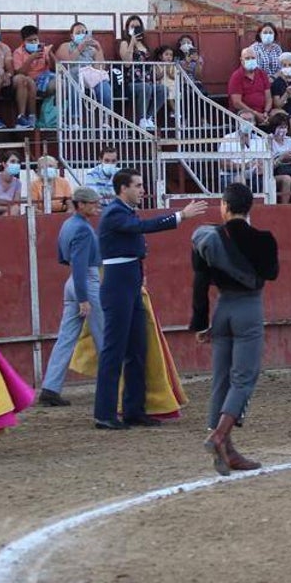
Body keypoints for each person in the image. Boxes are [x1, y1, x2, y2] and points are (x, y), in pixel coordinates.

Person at [95, 169, 207, 429]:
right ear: (123, 189)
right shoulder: (114, 213)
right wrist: (180, 216)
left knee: (137, 348)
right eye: (138, 185)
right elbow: (142, 227)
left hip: (130, 279)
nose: (142, 190)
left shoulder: (122, 212)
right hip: (118, 283)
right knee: (114, 349)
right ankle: (104, 414)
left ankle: (134, 410)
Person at [190, 181, 278, 474]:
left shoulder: (208, 238)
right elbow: (272, 274)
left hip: (222, 310)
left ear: (224, 207)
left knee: (221, 379)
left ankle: (227, 450)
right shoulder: (263, 239)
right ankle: (219, 436)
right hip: (248, 309)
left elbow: (200, 283)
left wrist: (201, 323)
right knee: (243, 378)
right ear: (248, 208)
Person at [38, 187, 106, 408]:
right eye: (93, 203)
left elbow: (63, 258)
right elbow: (79, 265)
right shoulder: (84, 229)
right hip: (85, 282)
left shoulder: (67, 224)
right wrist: (84, 298)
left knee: (65, 338)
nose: (97, 206)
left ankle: (50, 387)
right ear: (81, 205)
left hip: (73, 283)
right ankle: (113, 388)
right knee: (103, 336)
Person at [11, 25, 53, 130]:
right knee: (27, 81)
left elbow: (54, 67)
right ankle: (29, 117)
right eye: (30, 41)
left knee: (61, 83)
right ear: (24, 41)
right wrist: (31, 58)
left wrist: (50, 54)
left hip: (44, 81)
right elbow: (19, 72)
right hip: (27, 82)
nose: (34, 42)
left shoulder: (43, 50)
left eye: (35, 39)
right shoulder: (18, 52)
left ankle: (58, 119)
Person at [218, 109, 269, 192]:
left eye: (250, 120)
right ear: (238, 122)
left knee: (268, 178)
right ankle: (243, 204)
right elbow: (224, 164)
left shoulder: (260, 140)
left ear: (254, 123)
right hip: (230, 174)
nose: (247, 123)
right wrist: (246, 165)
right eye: (244, 120)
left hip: (253, 174)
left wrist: (261, 168)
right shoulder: (227, 138)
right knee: (239, 178)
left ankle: (266, 204)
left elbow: (262, 162)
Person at [228, 46, 273, 128]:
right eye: (247, 58)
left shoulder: (262, 74)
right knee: (248, 117)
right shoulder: (236, 76)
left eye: (253, 58)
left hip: (264, 111)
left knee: (280, 117)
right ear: (242, 61)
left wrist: (266, 112)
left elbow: (269, 98)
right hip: (245, 111)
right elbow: (236, 103)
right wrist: (255, 113)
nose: (250, 60)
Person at [268, 115, 291, 205]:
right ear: (274, 127)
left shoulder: (289, 140)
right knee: (287, 179)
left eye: (285, 127)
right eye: (280, 127)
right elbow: (268, 165)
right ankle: (284, 206)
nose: (283, 130)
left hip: (288, 169)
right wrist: (281, 158)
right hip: (274, 172)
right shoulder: (268, 140)